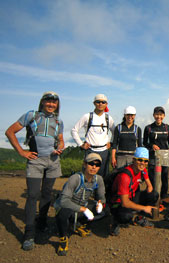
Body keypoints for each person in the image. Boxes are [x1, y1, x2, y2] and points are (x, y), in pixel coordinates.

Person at [5, 91, 64, 251]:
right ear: (42, 102)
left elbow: (60, 139)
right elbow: (10, 132)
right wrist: (21, 152)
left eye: (54, 102)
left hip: (53, 161)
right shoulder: (31, 115)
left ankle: (42, 222)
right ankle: (29, 233)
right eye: (48, 101)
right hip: (35, 161)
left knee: (47, 193)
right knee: (32, 195)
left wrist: (60, 147)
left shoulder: (59, 121)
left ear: (57, 104)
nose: (51, 104)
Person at [55, 153, 106, 256]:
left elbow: (102, 198)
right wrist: (84, 209)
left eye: (97, 165)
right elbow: (63, 201)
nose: (94, 167)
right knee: (63, 213)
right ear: (84, 164)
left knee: (103, 212)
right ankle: (63, 239)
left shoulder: (98, 179)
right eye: (91, 163)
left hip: (80, 206)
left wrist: (100, 203)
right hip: (67, 206)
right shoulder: (76, 178)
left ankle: (79, 224)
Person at [109, 147, 158, 236]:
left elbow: (150, 186)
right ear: (133, 160)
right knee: (126, 216)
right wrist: (144, 207)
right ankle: (115, 221)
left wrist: (149, 193)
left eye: (145, 161)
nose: (142, 163)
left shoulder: (142, 170)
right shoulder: (125, 176)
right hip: (118, 203)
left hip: (131, 197)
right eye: (139, 160)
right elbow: (125, 203)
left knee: (154, 195)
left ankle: (139, 217)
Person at [71, 94, 115, 180]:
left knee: (103, 177)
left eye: (103, 102)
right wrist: (81, 144)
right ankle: (87, 193)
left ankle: (101, 193)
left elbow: (114, 132)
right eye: (98, 102)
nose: (100, 104)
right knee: (88, 175)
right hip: (90, 150)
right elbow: (74, 130)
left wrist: (111, 142)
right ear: (94, 103)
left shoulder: (108, 118)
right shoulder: (87, 116)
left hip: (104, 151)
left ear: (106, 104)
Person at [143, 106, 169, 199]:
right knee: (152, 177)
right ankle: (152, 195)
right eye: (157, 114)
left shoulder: (167, 127)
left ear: (164, 116)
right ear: (153, 115)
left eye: (161, 115)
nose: (159, 116)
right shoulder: (148, 128)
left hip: (165, 156)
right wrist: (152, 146)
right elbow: (145, 143)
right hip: (153, 156)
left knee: (164, 176)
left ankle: (164, 195)